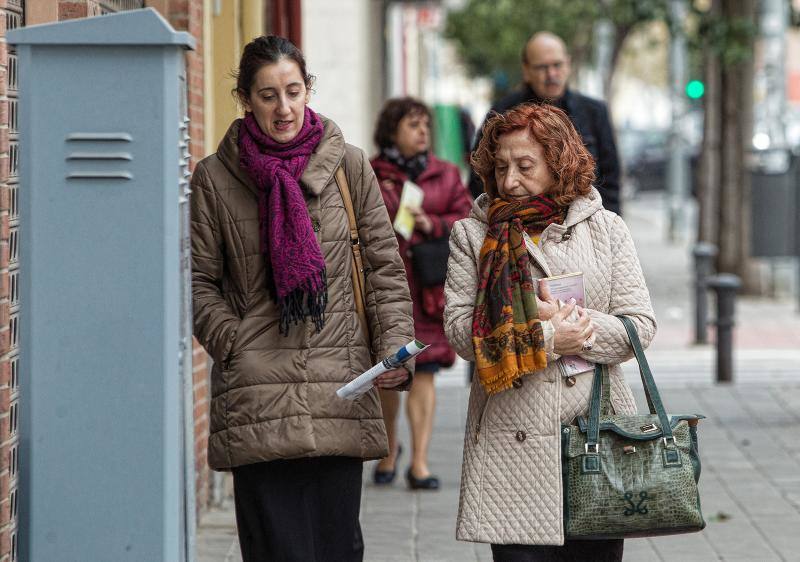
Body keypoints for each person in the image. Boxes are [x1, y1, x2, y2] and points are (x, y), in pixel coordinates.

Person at [191, 36, 415, 562]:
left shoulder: (348, 166)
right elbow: (199, 282)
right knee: (276, 549)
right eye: (268, 96)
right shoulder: (215, 178)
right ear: (245, 98)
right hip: (257, 395)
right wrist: (235, 343)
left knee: (338, 548)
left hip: (339, 386)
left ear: (308, 89)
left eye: (293, 91)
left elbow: (383, 263)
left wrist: (395, 349)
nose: (284, 108)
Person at [444, 103, 656, 560]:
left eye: (525, 166)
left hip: (596, 433)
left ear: (559, 164)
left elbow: (639, 327)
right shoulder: (473, 234)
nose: (510, 182)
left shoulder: (606, 229)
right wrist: (545, 337)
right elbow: (462, 334)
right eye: (500, 167)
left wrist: (573, 326)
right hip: (511, 437)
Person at [370, 97, 472, 490]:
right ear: (392, 131)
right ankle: (388, 451)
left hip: (430, 291)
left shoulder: (445, 174)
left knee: (425, 374)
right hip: (389, 288)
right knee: (391, 374)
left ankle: (421, 463)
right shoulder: (373, 174)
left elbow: (466, 219)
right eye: (413, 125)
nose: (423, 132)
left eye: (425, 125)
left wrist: (433, 224)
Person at [468, 31, 622, 216]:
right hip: (513, 225)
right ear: (526, 70)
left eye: (557, 65)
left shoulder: (595, 111)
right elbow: (479, 177)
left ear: (568, 64)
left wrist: (606, 227)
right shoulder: (502, 112)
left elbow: (611, 181)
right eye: (542, 67)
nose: (551, 74)